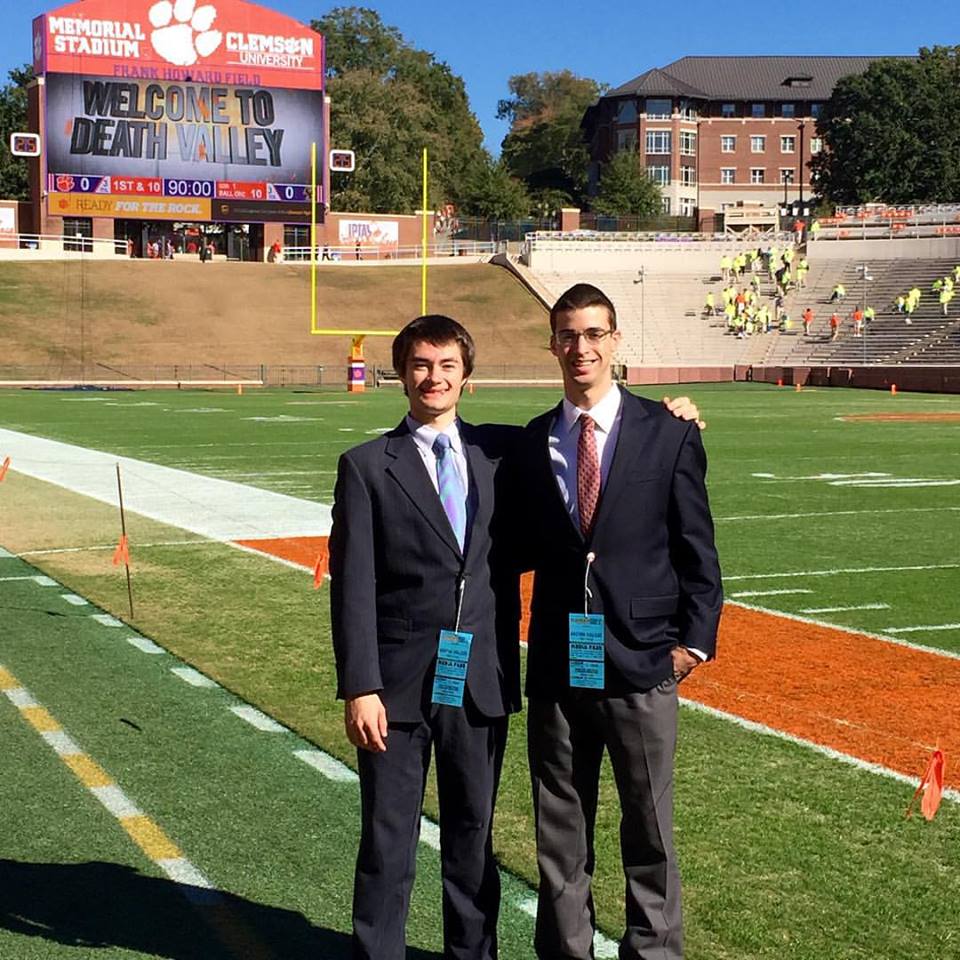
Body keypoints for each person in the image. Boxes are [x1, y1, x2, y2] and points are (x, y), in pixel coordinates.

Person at [510, 283, 722, 960]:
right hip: (557, 667)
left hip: (642, 661)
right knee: (560, 831)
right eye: (569, 335)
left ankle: (653, 953)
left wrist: (694, 644)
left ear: (615, 341)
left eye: (595, 334)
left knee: (650, 828)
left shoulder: (669, 432)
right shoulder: (531, 440)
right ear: (553, 344)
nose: (582, 348)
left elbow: (699, 550)